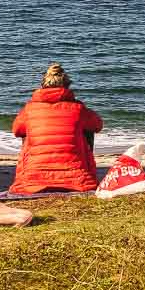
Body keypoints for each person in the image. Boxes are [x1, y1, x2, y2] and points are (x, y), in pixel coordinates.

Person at [9, 62, 104, 194]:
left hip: (32, 181)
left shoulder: (29, 109)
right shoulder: (78, 109)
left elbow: (16, 130)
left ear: (42, 86)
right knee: (87, 129)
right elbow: (98, 125)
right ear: (67, 86)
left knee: (26, 132)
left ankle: (32, 172)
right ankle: (81, 172)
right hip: (78, 181)